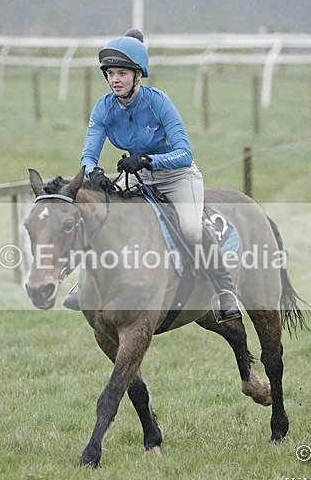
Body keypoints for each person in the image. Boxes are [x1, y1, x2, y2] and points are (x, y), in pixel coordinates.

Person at [66, 29, 241, 323]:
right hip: (138, 177)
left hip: (177, 176)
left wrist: (148, 159)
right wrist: (93, 171)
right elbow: (89, 154)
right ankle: (83, 284)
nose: (115, 80)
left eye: (122, 73)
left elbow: (184, 153)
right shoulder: (104, 108)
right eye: (110, 73)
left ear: (138, 75)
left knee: (191, 229)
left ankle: (225, 291)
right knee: (102, 215)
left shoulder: (159, 102)